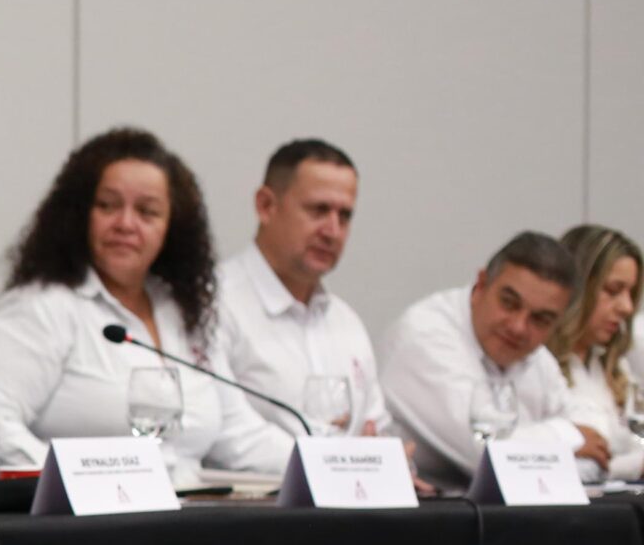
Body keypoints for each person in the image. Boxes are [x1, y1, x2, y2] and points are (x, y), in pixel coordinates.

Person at [0, 127, 293, 484]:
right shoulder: (42, 307)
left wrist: (321, 462)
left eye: (147, 212)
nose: (125, 224)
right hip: (88, 513)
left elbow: (238, 434)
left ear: (172, 227)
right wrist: (82, 480)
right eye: (107, 206)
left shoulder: (184, 311)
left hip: (191, 509)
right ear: (78, 214)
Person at [380, 231, 606, 488]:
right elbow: (488, 457)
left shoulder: (534, 356)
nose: (519, 327)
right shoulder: (425, 335)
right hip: (423, 509)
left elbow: (597, 445)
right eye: (509, 303)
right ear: (481, 285)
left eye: (541, 319)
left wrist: (538, 453)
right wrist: (570, 438)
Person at [214, 139, 395, 439]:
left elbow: (376, 429)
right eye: (318, 210)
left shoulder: (346, 322)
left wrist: (387, 456)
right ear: (266, 206)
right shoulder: (214, 304)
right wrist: (332, 460)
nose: (332, 231)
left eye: (344, 216)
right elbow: (226, 433)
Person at [544, 224, 643, 481]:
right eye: (613, 290)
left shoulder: (613, 367)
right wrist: (633, 466)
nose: (627, 307)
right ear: (576, 288)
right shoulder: (537, 364)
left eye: (631, 294)